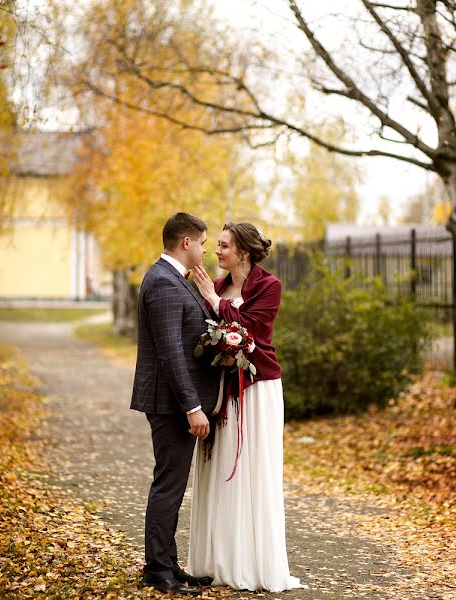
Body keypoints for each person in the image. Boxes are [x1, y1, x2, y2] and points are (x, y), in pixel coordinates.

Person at [189, 222, 304, 592]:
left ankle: (251, 563)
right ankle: (217, 561)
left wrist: (213, 300)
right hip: (222, 391)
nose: (216, 252)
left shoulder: (269, 286)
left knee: (252, 470)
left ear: (244, 252)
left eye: (223, 246)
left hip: (258, 389)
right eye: (217, 245)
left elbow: (252, 328)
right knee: (220, 468)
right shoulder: (219, 285)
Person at [130, 212, 218, 596]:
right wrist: (192, 407)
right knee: (169, 484)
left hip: (172, 401)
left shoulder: (171, 279)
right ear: (186, 243)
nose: (204, 248)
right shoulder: (164, 283)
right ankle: (157, 570)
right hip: (170, 404)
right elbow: (170, 354)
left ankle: (168, 563)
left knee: (172, 482)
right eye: (201, 242)